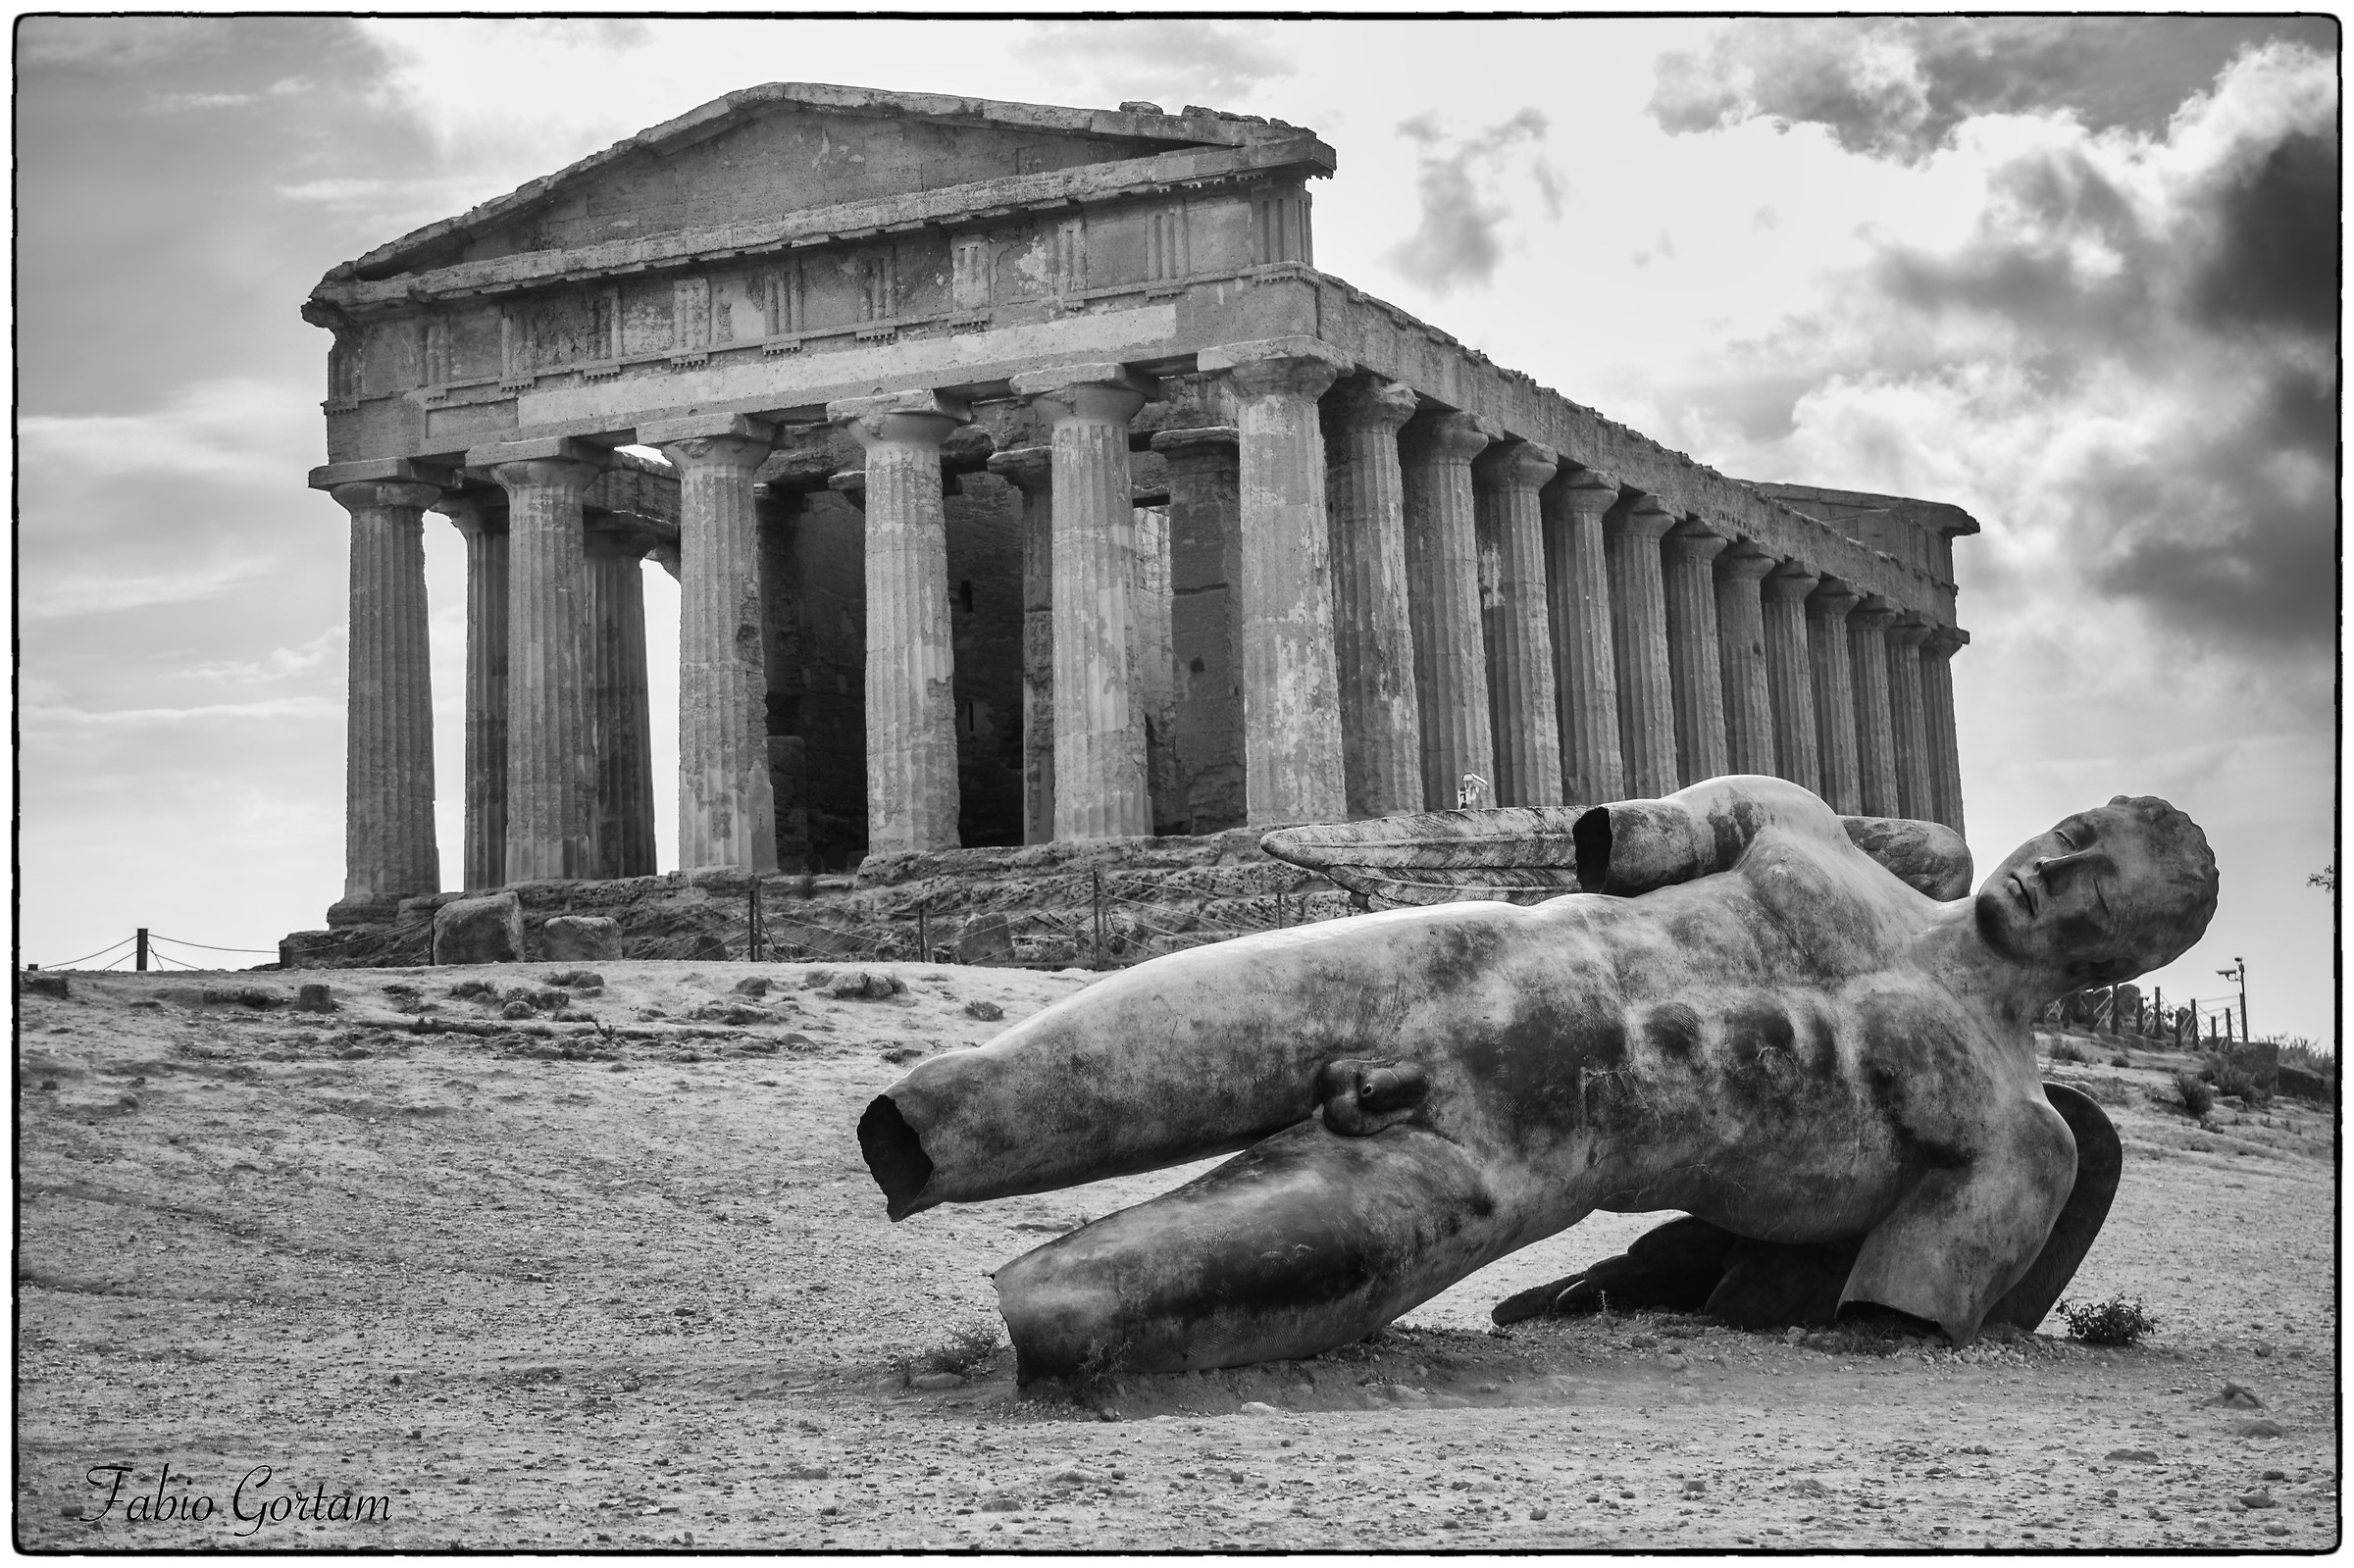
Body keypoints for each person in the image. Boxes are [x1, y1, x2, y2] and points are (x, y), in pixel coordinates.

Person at [858, 776, 2218, 1381]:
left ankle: (1020, 1327)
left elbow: (1885, 1328)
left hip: (1510, 1155)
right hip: (1436, 967)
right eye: (2078, 835)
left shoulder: (2012, 1135)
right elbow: (1620, 845)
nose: (2060, 871)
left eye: (2104, 892)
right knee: (964, 1107)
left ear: (2119, 961)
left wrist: (1653, 1290)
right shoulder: (1794, 821)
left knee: (1086, 1319)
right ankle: (936, 1147)